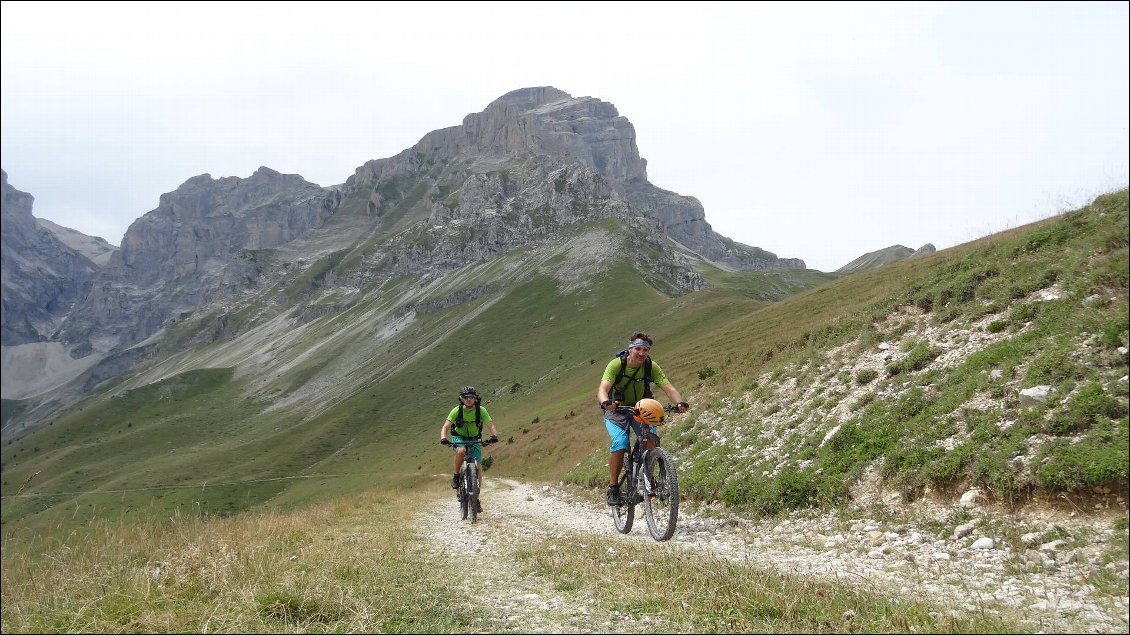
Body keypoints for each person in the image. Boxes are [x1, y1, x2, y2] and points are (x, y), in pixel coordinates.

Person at [596, 332, 689, 506]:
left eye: (645, 350)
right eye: (638, 349)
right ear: (630, 349)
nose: (641, 353)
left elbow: (667, 387)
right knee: (620, 443)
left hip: (641, 408)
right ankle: (614, 487)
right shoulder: (616, 365)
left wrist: (679, 403)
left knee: (651, 439)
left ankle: (646, 479)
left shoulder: (650, 366)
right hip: (617, 409)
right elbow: (603, 388)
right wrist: (606, 402)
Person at [439, 386, 499, 497]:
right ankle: (456, 476)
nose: (468, 399)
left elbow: (490, 425)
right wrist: (443, 438)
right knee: (461, 451)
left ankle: (476, 498)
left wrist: (494, 436)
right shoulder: (457, 410)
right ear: (461, 399)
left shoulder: (481, 410)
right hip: (459, 437)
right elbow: (446, 426)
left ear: (475, 398)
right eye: (466, 397)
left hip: (474, 438)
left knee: (478, 466)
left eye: (471, 397)